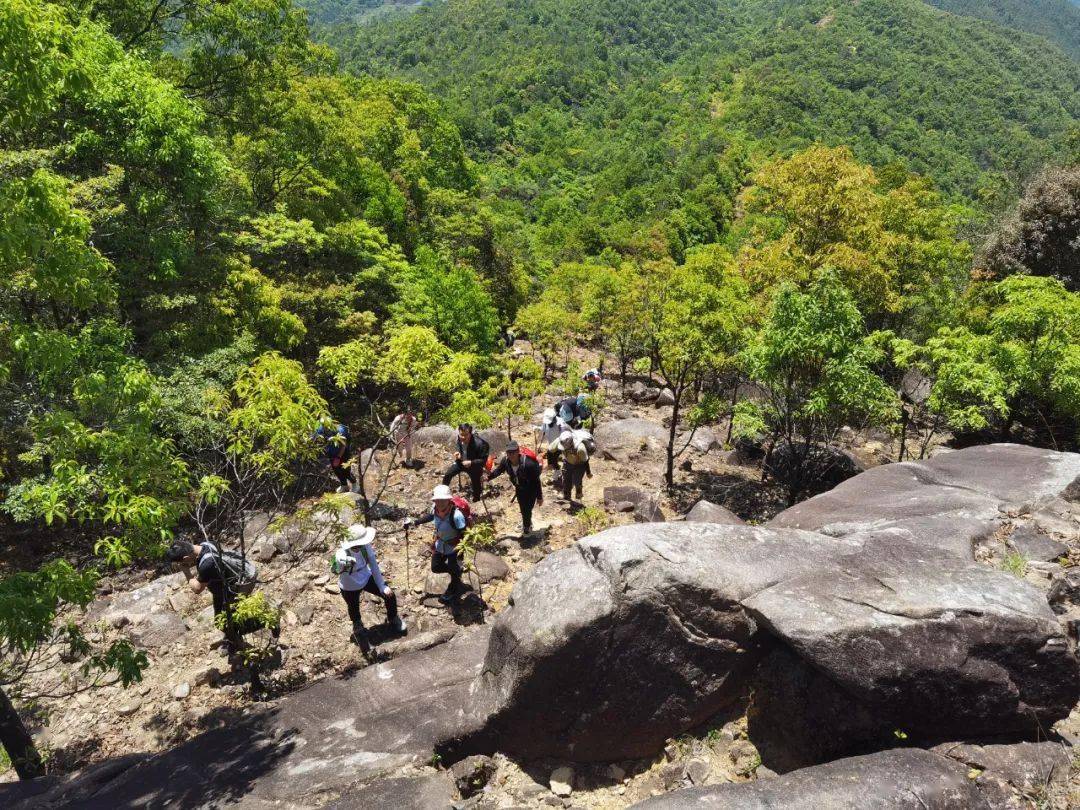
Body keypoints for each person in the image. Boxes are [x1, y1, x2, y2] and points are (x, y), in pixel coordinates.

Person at [165, 540, 278, 650]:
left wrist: (186, 572)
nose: (181, 564)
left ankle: (268, 621)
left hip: (236, 587)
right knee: (222, 620)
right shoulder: (207, 543)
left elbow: (197, 588)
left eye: (180, 562)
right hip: (226, 585)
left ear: (186, 558)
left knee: (225, 624)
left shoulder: (207, 564)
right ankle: (234, 640)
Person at [334, 525, 404, 656]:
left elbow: (374, 566)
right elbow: (339, 558)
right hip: (349, 585)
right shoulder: (343, 552)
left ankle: (393, 617)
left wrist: (382, 585)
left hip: (366, 577)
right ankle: (358, 626)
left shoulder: (366, 547)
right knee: (353, 607)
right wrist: (346, 560)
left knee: (389, 595)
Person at [404, 485, 467, 604]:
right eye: (437, 500)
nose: (439, 503)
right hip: (440, 543)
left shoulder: (457, 516)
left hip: (454, 546)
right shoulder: (435, 509)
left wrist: (461, 553)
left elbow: (464, 533)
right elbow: (430, 516)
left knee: (454, 569)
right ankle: (456, 572)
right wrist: (414, 522)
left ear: (449, 500)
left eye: (442, 500)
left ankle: (453, 587)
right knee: (436, 567)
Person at [487, 440, 543, 535]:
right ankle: (527, 522)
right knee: (523, 508)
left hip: (531, 489)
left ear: (518, 452)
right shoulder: (506, 461)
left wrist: (539, 497)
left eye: (513, 452)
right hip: (519, 488)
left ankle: (527, 528)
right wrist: (488, 478)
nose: (511, 455)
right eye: (509, 453)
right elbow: (498, 471)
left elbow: (536, 481)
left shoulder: (528, 464)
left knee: (527, 509)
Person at [442, 423, 490, 501]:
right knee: (448, 475)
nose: (463, 437)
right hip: (460, 462)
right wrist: (458, 453)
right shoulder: (459, 437)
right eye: (461, 435)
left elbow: (483, 461)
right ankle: (442, 494)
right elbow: (458, 445)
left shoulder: (481, 444)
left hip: (474, 466)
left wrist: (471, 462)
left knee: (476, 484)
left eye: (466, 435)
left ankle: (476, 500)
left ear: (470, 433)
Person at [314, 419, 356, 493]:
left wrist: (338, 457)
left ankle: (354, 483)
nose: (324, 427)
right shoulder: (322, 427)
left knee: (345, 468)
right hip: (332, 450)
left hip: (343, 450)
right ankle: (344, 485)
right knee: (336, 469)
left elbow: (343, 445)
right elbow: (315, 436)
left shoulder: (340, 430)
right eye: (323, 425)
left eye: (326, 425)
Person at [551, 430, 589, 501]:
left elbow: (585, 461)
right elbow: (551, 450)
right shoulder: (560, 441)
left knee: (577, 480)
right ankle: (566, 495)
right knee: (566, 479)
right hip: (567, 462)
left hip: (579, 465)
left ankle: (579, 492)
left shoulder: (580, 448)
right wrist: (554, 464)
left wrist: (588, 472)